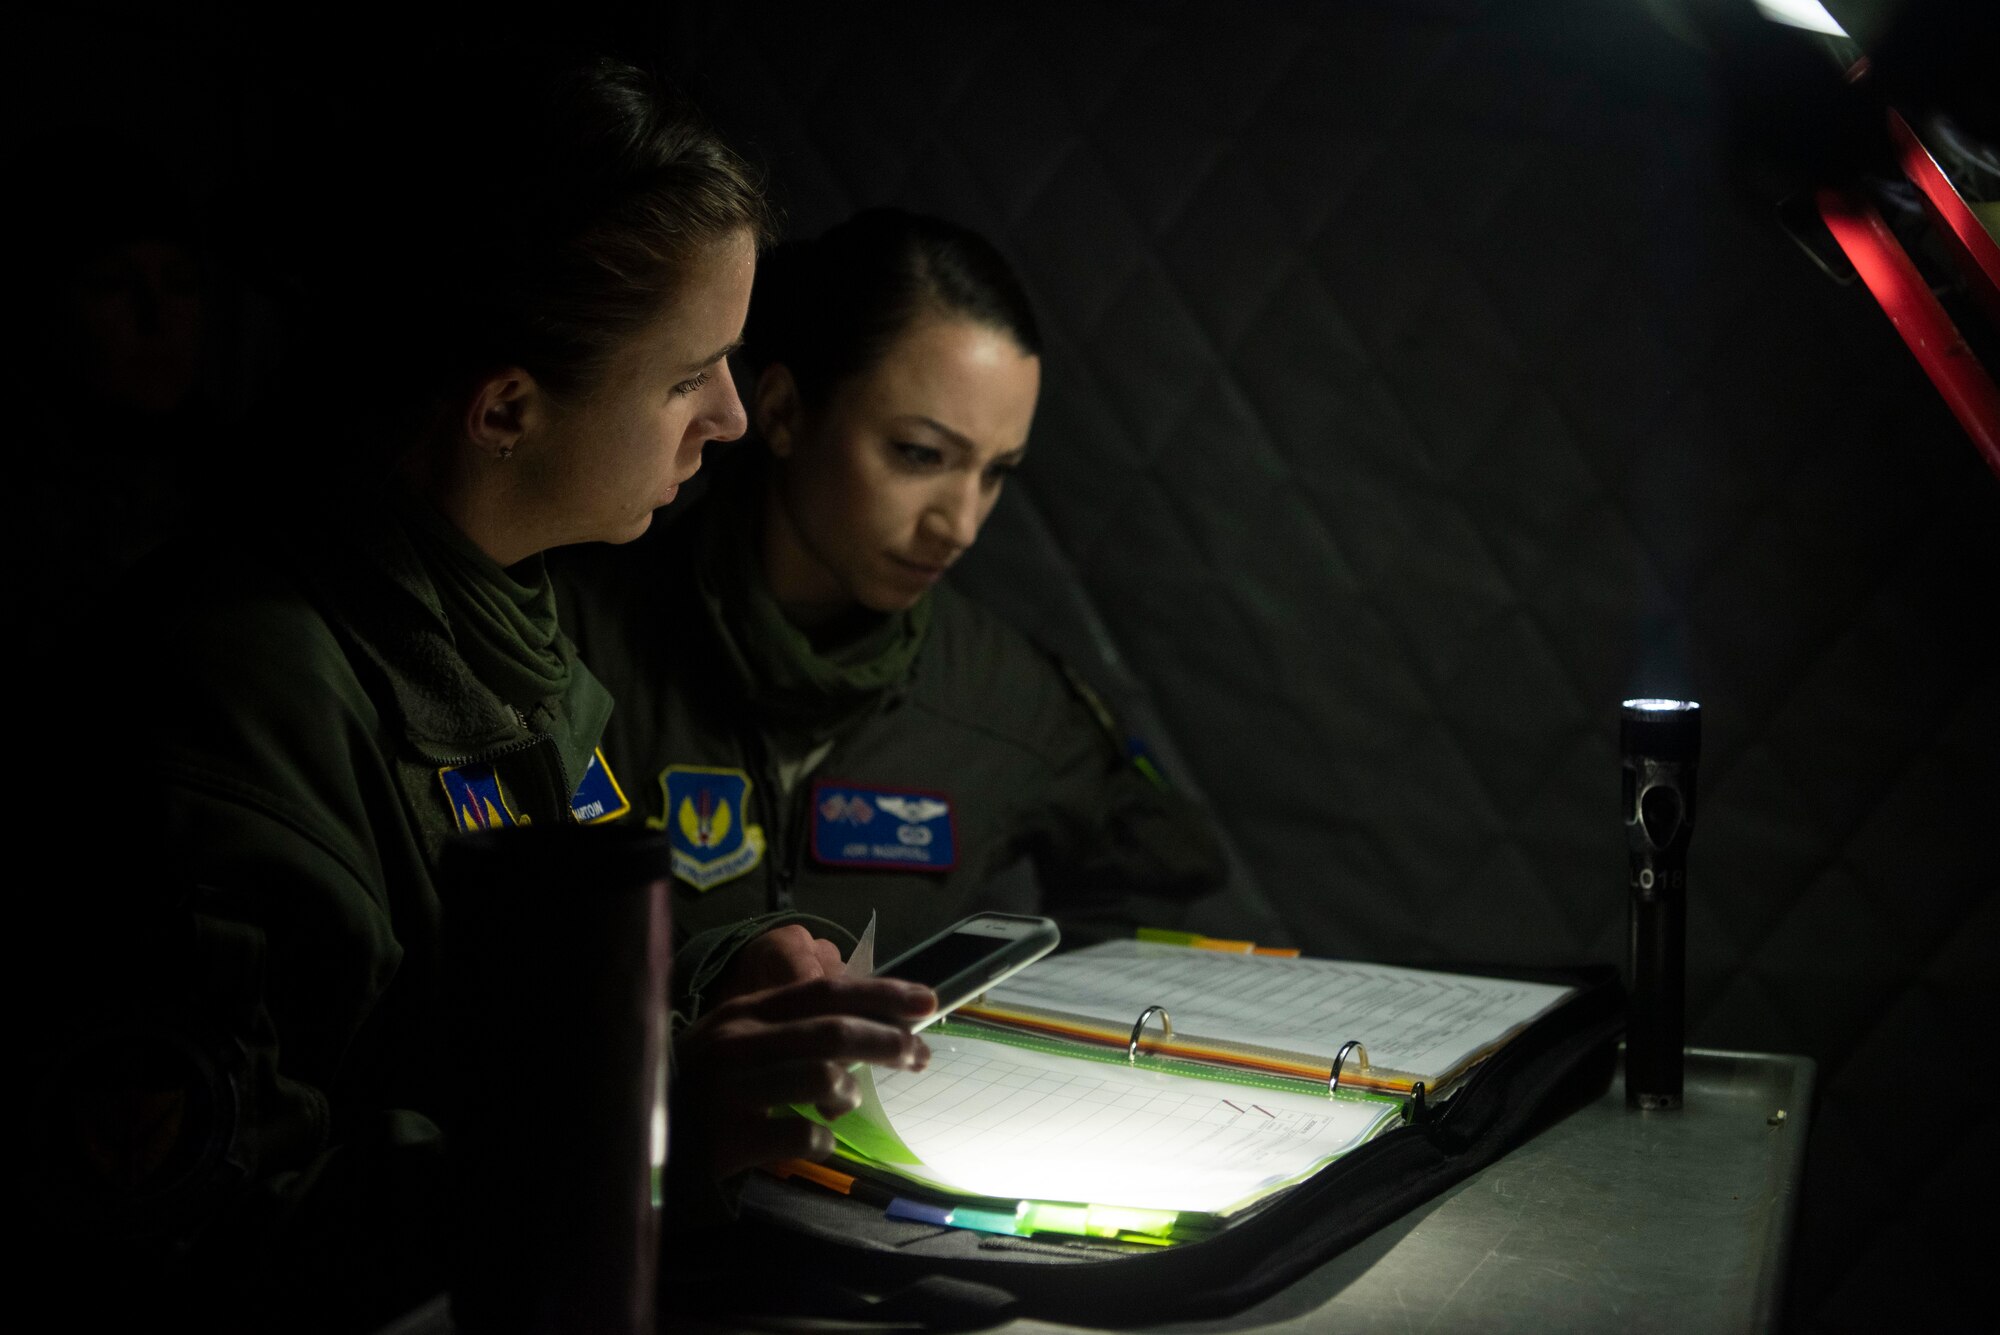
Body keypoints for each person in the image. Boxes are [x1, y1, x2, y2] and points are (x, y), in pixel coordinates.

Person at [35, 61, 932, 1330]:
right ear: (506, 407)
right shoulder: (233, 708)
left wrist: (720, 979)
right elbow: (210, 1234)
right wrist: (655, 1113)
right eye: (690, 376)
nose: (729, 418)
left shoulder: (494, 611)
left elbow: (483, 1016)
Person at [554, 207, 1228, 1011]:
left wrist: (1015, 1038)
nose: (961, 524)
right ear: (781, 412)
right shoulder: (567, 646)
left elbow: (1155, 879)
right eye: (920, 454)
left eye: (995, 472)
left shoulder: (1005, 698)